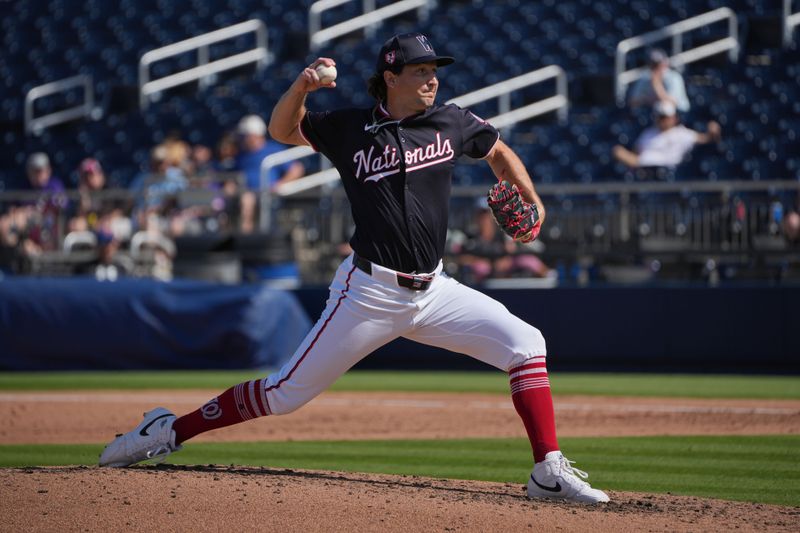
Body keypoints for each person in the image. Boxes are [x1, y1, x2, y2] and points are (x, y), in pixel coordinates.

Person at [99, 32, 609, 504]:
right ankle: (166, 431)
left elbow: (497, 151)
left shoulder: (451, 121)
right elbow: (281, 130)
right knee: (282, 395)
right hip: (368, 293)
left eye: (435, 69)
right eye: (420, 70)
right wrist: (304, 83)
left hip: (434, 291)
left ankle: (547, 471)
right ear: (390, 77)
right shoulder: (347, 127)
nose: (432, 78)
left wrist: (532, 199)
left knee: (528, 344)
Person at [456, 199, 553, 285]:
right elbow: (461, 257)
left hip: (504, 268)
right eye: (481, 215)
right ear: (476, 217)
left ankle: (549, 277)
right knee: (481, 268)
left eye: (487, 214)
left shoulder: (502, 233)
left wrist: (504, 261)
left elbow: (510, 251)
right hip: (484, 273)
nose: (484, 219)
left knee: (528, 260)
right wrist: (480, 261)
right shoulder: (470, 236)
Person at [612, 101, 721, 170]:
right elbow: (636, 152)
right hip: (643, 172)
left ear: (674, 118)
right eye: (660, 117)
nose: (662, 120)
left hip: (666, 173)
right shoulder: (648, 133)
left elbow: (707, 139)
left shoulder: (682, 133)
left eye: (665, 117)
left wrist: (713, 131)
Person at [627, 48, 690, 113]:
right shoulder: (644, 77)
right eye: (653, 65)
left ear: (665, 64)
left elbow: (671, 103)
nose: (656, 68)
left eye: (658, 65)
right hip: (654, 114)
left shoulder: (674, 77)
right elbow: (632, 102)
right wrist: (646, 100)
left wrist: (656, 84)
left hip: (678, 113)